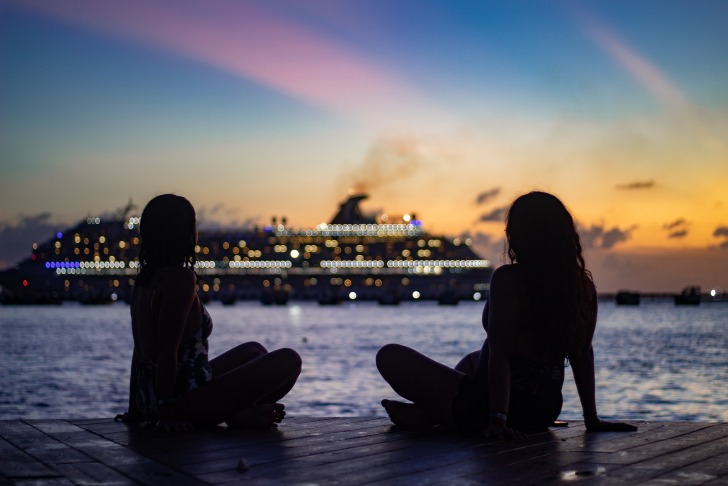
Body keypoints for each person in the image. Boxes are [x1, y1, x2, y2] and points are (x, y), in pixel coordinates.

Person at [376, 191, 636, 438]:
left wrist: (497, 419)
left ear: (519, 235)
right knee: (473, 359)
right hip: (544, 409)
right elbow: (582, 353)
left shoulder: (510, 280)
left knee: (389, 355)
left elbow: (501, 353)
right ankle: (430, 414)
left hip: (493, 406)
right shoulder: (582, 286)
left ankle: (432, 415)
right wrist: (592, 419)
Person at [118, 194, 301, 431]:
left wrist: (136, 409)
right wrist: (167, 414)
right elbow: (166, 352)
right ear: (184, 233)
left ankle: (240, 410)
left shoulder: (145, 281)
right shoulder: (180, 279)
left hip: (154, 398)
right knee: (290, 360)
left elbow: (140, 353)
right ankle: (238, 414)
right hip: (182, 401)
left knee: (254, 350)